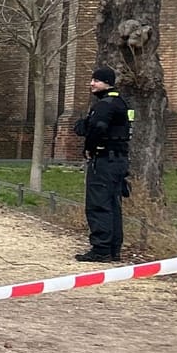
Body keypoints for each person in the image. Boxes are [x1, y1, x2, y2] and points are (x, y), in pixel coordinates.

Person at [73, 65, 132, 262]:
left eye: (96, 80)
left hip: (105, 160)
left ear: (107, 82)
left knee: (99, 204)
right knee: (113, 204)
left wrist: (88, 147)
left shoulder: (105, 105)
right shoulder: (120, 103)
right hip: (118, 160)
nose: (91, 83)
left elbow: (98, 129)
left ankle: (101, 249)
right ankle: (113, 249)